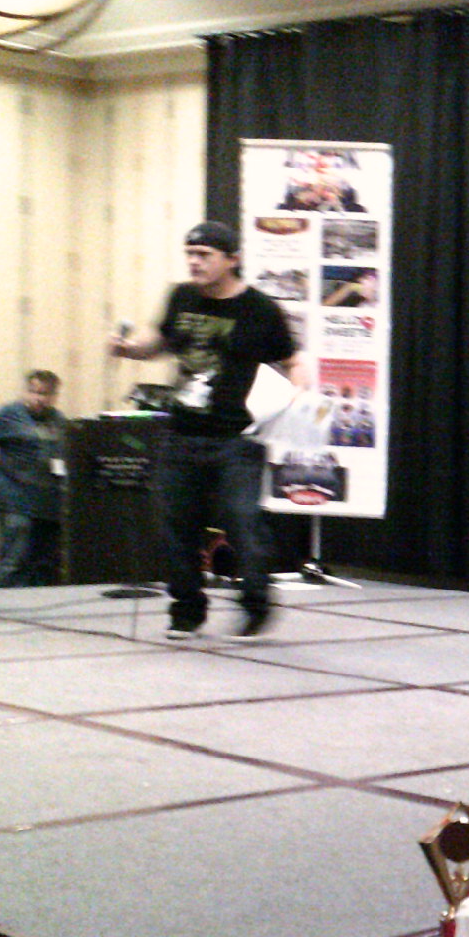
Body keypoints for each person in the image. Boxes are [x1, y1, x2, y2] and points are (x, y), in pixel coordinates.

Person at [109, 220, 300, 639]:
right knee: (176, 527)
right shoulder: (181, 297)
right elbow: (158, 342)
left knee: (242, 521)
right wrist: (129, 349)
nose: (194, 262)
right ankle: (187, 610)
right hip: (182, 433)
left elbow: (292, 360)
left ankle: (256, 602)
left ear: (232, 259)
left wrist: (298, 400)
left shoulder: (260, 310)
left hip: (236, 439)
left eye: (204, 255)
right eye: (190, 254)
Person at [0, 369, 67, 586]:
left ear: (55, 396)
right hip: (15, 500)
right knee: (16, 560)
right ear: (25, 391)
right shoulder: (8, 415)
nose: (38, 398)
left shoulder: (59, 421)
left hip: (49, 504)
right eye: (34, 392)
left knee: (47, 564)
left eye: (45, 394)